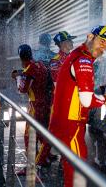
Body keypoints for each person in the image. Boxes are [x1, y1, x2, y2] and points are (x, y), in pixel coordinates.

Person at [48, 25, 106, 187]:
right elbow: (86, 100)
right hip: (71, 124)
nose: (103, 48)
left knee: (72, 168)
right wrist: (105, 100)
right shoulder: (84, 60)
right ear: (89, 37)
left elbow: (76, 88)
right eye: (101, 41)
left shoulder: (77, 55)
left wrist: (99, 91)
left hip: (66, 122)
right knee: (77, 168)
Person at [35, 31, 76, 167]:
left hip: (71, 102)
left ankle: (64, 161)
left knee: (68, 133)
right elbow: (57, 83)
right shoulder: (56, 60)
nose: (72, 43)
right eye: (69, 40)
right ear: (63, 44)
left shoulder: (72, 58)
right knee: (52, 134)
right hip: (60, 103)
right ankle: (40, 161)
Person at [11, 44, 50, 175]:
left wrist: (17, 77)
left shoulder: (29, 70)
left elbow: (22, 89)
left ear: (21, 57)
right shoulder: (40, 64)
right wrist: (22, 73)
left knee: (29, 136)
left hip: (35, 106)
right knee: (42, 134)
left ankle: (32, 167)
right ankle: (43, 159)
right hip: (45, 104)